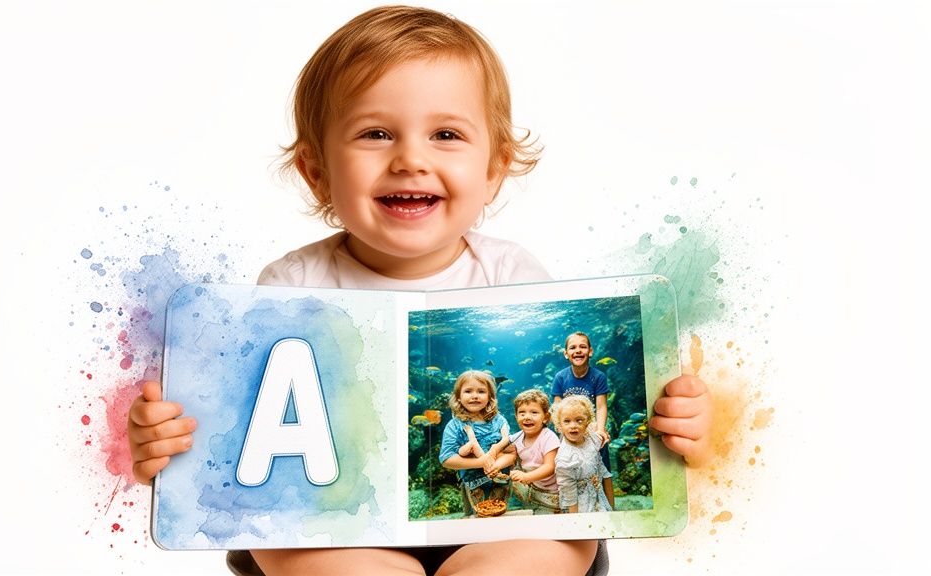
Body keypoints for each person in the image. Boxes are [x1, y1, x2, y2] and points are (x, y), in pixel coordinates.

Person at [128, 5, 712, 575]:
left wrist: (683, 423)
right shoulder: (289, 286)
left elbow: (569, 418)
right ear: (316, 171)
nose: (410, 159)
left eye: (446, 134)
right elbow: (240, 434)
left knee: (537, 552)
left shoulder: (515, 274)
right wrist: (167, 435)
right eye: (376, 133)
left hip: (506, 524)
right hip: (337, 532)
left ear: (494, 169)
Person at [552, 331, 615, 508]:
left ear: (590, 351)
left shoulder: (598, 376)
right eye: (573, 347)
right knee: (571, 473)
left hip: (592, 431)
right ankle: (573, 510)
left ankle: (611, 510)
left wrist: (600, 430)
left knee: (604, 472)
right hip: (570, 434)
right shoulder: (560, 377)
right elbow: (557, 408)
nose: (578, 350)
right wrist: (562, 432)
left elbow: (601, 406)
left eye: (582, 346)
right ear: (566, 353)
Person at [439, 370, 513, 516]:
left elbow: (512, 453)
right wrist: (481, 462)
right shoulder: (455, 426)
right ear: (458, 397)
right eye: (468, 391)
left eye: (481, 391)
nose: (474, 396)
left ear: (490, 396)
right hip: (472, 488)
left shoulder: (499, 421)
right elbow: (447, 459)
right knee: (474, 522)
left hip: (502, 486)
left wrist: (496, 465)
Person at [506, 389, 562, 514]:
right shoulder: (518, 436)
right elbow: (504, 442)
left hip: (552, 494)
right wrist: (494, 450)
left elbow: (550, 467)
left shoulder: (548, 437)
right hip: (533, 489)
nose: (527, 417)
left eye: (534, 412)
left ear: (546, 417)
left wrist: (526, 477)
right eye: (522, 413)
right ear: (516, 417)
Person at [553, 395, 612, 514]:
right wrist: (577, 522)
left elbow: (603, 471)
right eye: (567, 421)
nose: (573, 425)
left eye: (579, 420)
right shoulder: (565, 460)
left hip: (598, 498)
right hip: (580, 508)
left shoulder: (591, 438)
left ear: (587, 422)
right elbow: (570, 498)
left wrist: (611, 507)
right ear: (559, 425)